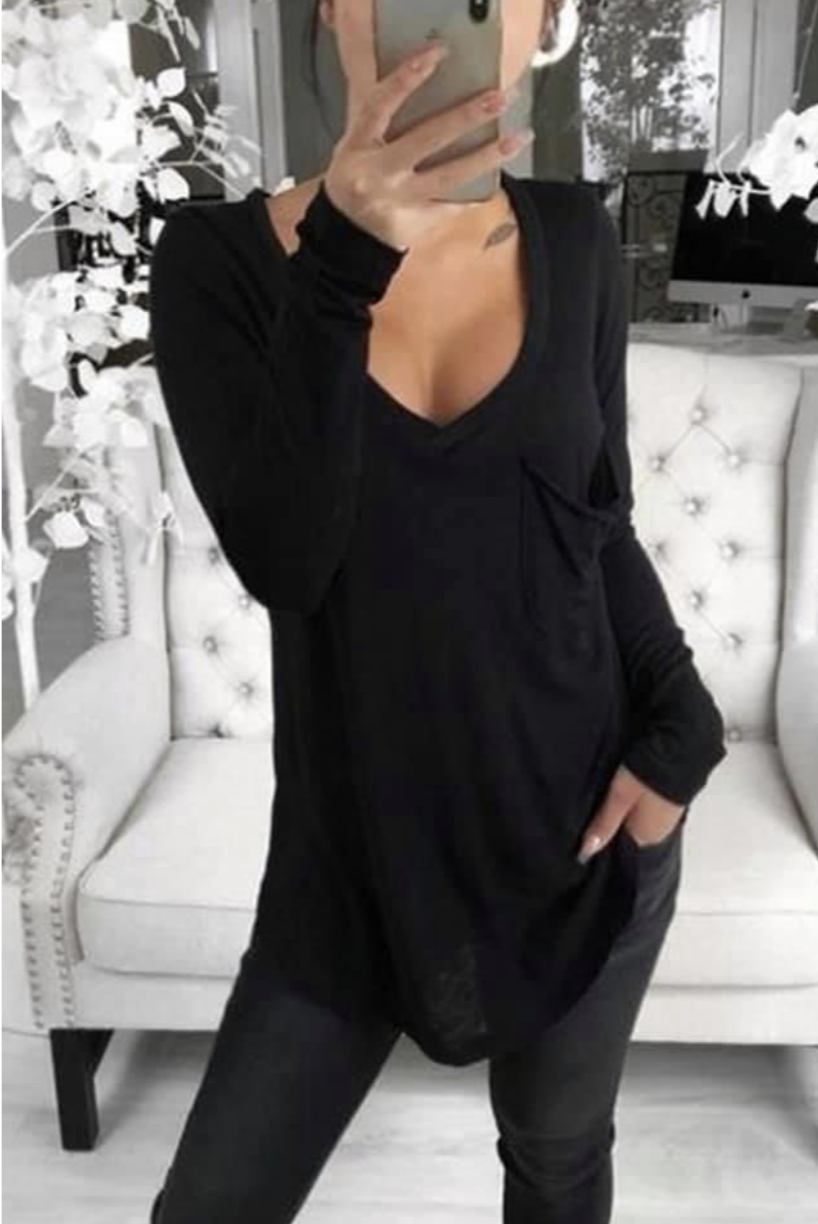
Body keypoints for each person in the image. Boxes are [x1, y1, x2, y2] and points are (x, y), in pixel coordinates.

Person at [146, 2, 727, 1221]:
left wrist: (682, 725)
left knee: (555, 1166)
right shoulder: (217, 263)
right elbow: (286, 563)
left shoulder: (572, 238)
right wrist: (345, 257)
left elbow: (596, 520)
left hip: (580, 832)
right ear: (329, 12)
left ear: (537, 24)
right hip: (350, 864)